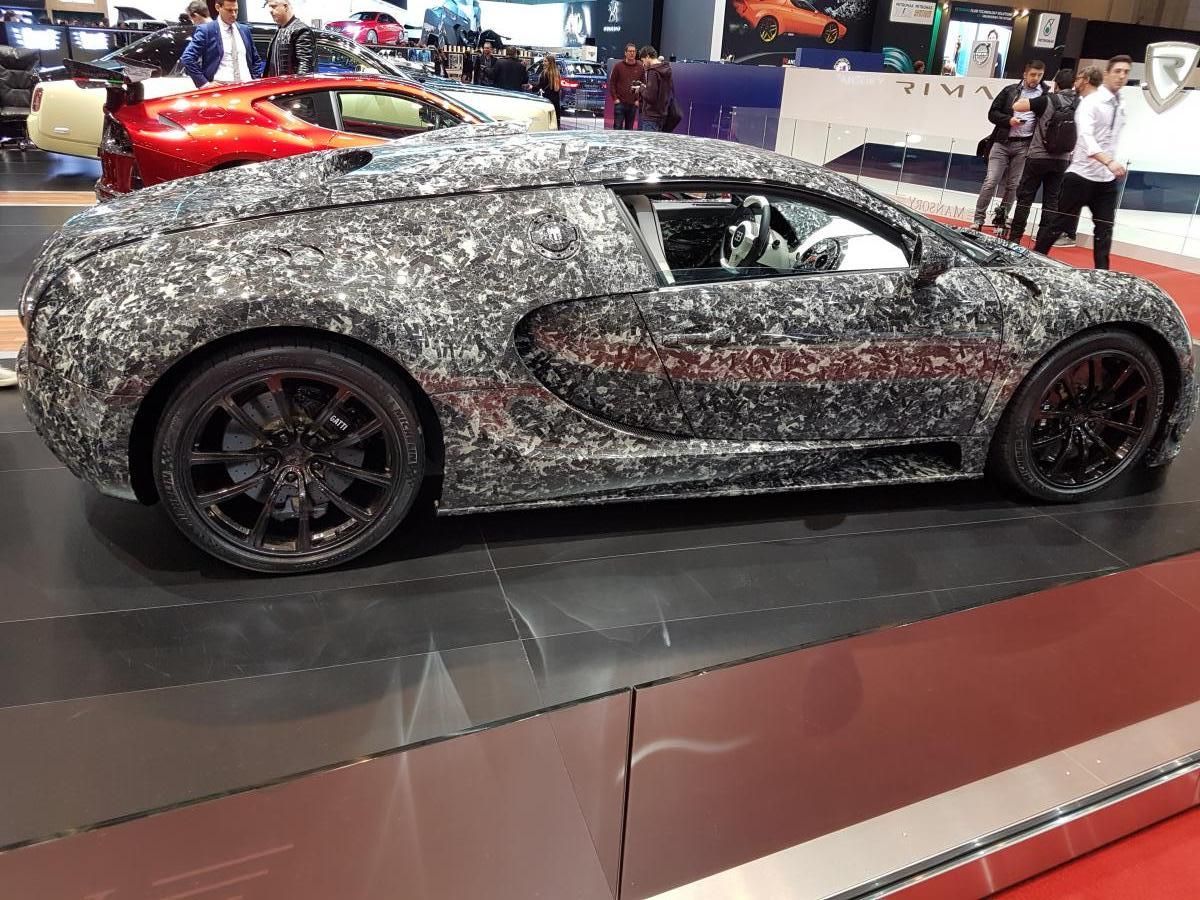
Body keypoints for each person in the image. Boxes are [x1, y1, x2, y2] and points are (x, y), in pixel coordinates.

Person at [1034, 55, 1132, 269]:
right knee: (1057, 225)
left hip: (1106, 181)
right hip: (1080, 177)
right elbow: (1087, 139)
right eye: (1117, 71)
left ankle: (1103, 275)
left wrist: (1113, 164)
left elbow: (1114, 139)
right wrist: (1109, 161)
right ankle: (1031, 263)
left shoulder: (1120, 104)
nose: (1121, 76)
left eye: (1126, 72)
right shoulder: (1091, 103)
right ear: (1107, 74)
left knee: (1104, 230)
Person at [1005, 66, 1100, 244]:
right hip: (1062, 160)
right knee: (1051, 202)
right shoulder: (1080, 104)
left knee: (1025, 199)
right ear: (1073, 84)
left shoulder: (1047, 99)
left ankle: (1015, 238)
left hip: (1037, 157)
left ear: (1056, 84)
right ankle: (1042, 241)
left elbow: (1017, 106)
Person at [973, 59, 1046, 233]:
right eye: (1033, 74)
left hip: (1024, 145)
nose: (1036, 78)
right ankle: (978, 219)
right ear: (1025, 74)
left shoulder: (1045, 95)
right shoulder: (1010, 90)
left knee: (1013, 185)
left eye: (1040, 75)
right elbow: (992, 113)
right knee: (991, 181)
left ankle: (1000, 221)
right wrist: (1009, 120)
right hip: (1001, 143)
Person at [180, 0, 263, 88]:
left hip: (246, 87)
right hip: (221, 87)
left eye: (236, 10)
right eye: (229, 10)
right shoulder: (207, 30)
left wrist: (255, 80)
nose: (234, 14)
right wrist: (205, 84)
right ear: (218, 7)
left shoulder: (244, 30)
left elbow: (255, 59)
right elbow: (187, 58)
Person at [262, 0, 314, 78]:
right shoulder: (281, 29)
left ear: (285, 7)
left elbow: (305, 70)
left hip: (289, 85)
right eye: (269, 7)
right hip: (278, 84)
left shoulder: (301, 30)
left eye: (273, 6)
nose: (270, 10)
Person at [636, 45, 672, 132]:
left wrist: (641, 88)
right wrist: (647, 87)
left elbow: (650, 97)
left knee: (648, 141)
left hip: (651, 116)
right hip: (662, 114)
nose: (643, 64)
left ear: (648, 56)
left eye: (643, 60)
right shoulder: (666, 69)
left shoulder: (653, 71)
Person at [608, 42, 641, 130]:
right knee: (617, 128)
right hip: (620, 103)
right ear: (625, 53)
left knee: (629, 129)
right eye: (630, 51)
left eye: (634, 51)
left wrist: (638, 100)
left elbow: (643, 85)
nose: (632, 53)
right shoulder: (618, 66)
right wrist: (615, 99)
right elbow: (612, 83)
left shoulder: (640, 67)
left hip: (633, 104)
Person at [536, 53, 562, 126]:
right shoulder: (557, 73)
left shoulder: (545, 73)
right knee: (555, 118)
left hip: (547, 98)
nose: (543, 63)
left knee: (546, 119)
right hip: (556, 99)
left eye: (545, 61)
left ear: (550, 62)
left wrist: (532, 87)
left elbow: (540, 86)